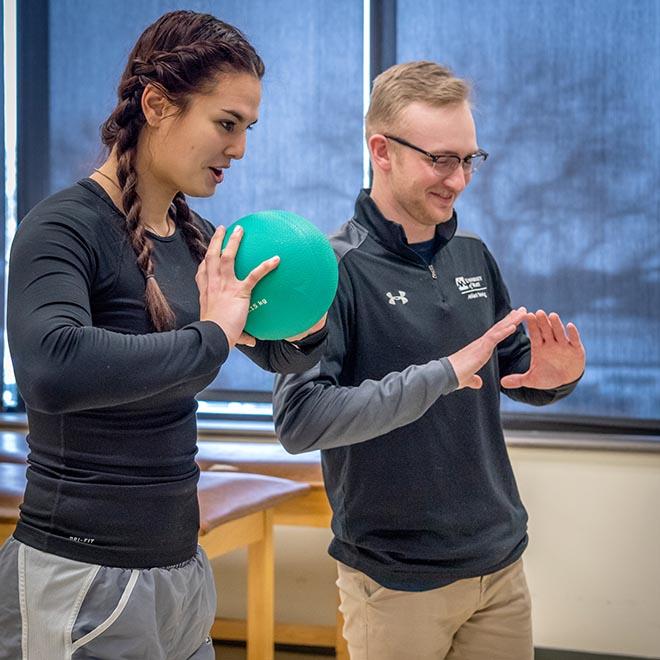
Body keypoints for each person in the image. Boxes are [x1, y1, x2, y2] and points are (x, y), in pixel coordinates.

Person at [0, 10, 326, 660]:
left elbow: (267, 346)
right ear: (156, 104)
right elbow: (51, 367)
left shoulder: (197, 237)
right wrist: (211, 334)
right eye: (226, 124)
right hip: (80, 573)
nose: (240, 149)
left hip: (178, 567)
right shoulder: (62, 228)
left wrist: (309, 330)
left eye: (248, 128)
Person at [273, 61, 586, 660]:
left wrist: (556, 380)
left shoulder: (474, 255)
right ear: (381, 151)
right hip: (395, 580)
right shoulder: (332, 270)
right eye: (441, 160)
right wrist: (440, 376)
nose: (460, 179)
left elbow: (511, 367)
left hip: (499, 563)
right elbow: (301, 420)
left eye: (470, 159)